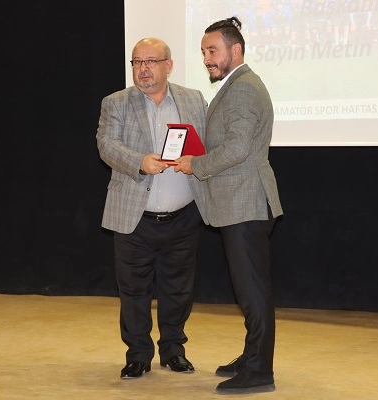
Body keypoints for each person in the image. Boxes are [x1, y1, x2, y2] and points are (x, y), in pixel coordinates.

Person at [174, 16, 283, 394]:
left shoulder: (243, 88)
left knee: (253, 291)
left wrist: (196, 164)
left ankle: (259, 372)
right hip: (241, 202)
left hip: (246, 202)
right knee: (249, 289)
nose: (206, 58)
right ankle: (253, 355)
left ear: (235, 50)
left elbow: (237, 148)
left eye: (213, 50)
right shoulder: (236, 85)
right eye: (203, 52)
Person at [96, 37, 209, 379]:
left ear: (168, 65)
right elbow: (106, 145)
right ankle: (138, 355)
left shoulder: (193, 99)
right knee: (134, 291)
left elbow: (207, 144)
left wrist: (197, 160)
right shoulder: (116, 102)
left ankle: (173, 351)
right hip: (134, 216)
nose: (143, 69)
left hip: (183, 215)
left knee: (178, 290)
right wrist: (140, 161)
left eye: (151, 61)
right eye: (137, 62)